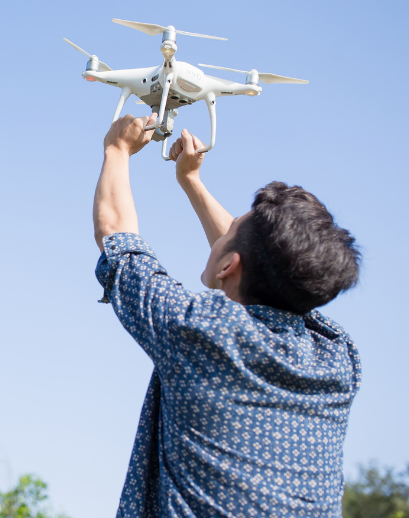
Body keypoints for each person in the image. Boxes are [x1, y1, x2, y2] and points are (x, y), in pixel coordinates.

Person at [92, 113, 362, 518]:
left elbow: (117, 238)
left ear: (229, 266)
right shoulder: (339, 359)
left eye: (232, 225)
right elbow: (263, 268)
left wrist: (117, 149)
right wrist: (192, 182)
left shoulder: (199, 332)